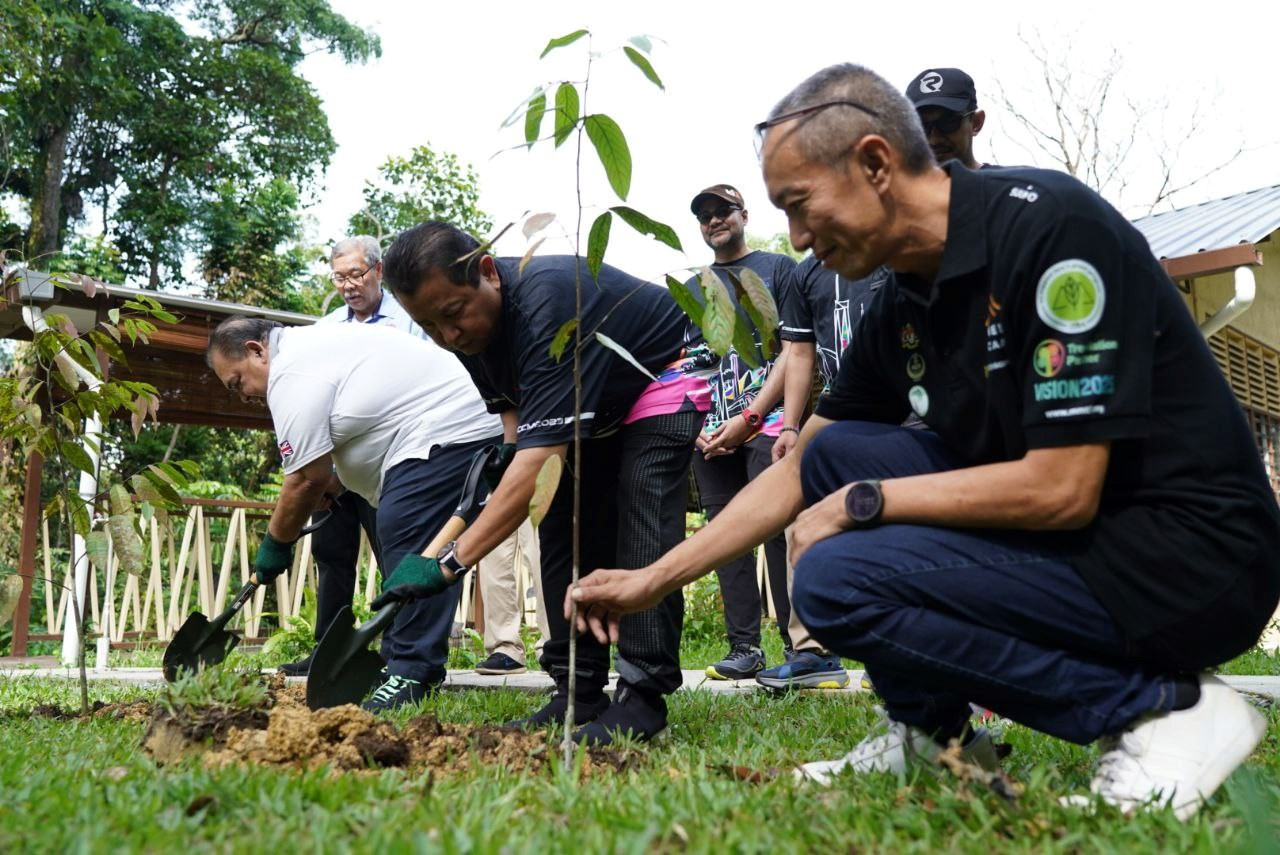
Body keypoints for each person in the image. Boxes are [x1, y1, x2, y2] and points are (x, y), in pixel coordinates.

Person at [570, 63, 1279, 820]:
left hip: (1190, 559)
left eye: (801, 206)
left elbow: (1062, 488)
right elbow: (804, 463)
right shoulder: (906, 293)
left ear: (876, 163)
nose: (799, 239)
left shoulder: (1049, 231)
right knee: (833, 453)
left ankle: (1165, 711)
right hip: (1084, 543)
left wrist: (866, 502)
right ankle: (934, 736)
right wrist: (655, 579)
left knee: (837, 578)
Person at [374, 221, 715, 745]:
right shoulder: (465, 332)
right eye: (430, 326)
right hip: (597, 404)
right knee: (558, 522)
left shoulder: (548, 299)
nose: (448, 336)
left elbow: (537, 463)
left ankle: (643, 697)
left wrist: (449, 562)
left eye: (453, 314)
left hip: (664, 372)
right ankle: (577, 689)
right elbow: (515, 420)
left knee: (639, 513)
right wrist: (506, 456)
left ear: (488, 272)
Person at [206, 317, 503, 711]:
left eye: (237, 382)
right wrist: (337, 483)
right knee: (402, 542)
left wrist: (275, 546)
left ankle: (412, 671)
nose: (243, 396)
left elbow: (304, 480)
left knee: (406, 529)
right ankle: (398, 663)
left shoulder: (291, 371)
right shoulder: (312, 349)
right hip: (435, 430)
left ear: (256, 351)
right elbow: (330, 461)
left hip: (448, 427)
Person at [278, 235, 422, 677]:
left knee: (394, 554)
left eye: (356, 275)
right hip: (336, 467)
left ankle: (399, 654)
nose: (348, 285)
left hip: (388, 462)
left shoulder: (410, 320)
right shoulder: (325, 330)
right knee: (331, 554)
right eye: (339, 277)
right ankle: (329, 650)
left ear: (378, 271)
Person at [753, 255, 887, 691]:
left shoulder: (889, 254)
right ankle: (812, 651)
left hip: (903, 409)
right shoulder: (806, 272)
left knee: (890, 521)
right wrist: (791, 426)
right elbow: (798, 351)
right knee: (802, 512)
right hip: (836, 411)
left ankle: (892, 653)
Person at [683, 183, 797, 681]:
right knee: (726, 533)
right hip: (710, 431)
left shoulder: (779, 270)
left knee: (777, 527)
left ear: (744, 215)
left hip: (768, 421)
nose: (714, 220)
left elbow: (796, 350)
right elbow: (685, 362)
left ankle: (799, 645)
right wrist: (694, 425)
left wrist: (752, 417)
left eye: (722, 211)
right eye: (704, 215)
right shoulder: (693, 287)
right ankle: (744, 647)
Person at [905, 67, 986, 170]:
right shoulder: (892, 180)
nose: (934, 140)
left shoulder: (1003, 180)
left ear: (976, 122)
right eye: (921, 126)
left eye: (948, 123)